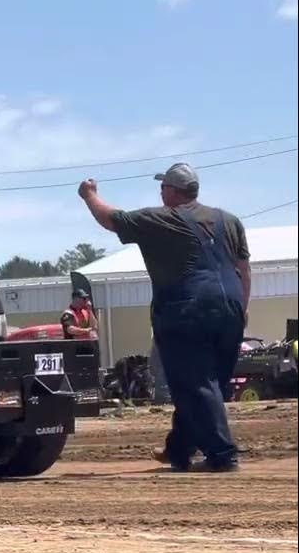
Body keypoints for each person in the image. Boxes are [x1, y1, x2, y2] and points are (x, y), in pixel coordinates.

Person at [78, 163, 250, 472]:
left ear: (172, 191)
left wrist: (89, 195)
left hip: (188, 310)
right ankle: (179, 449)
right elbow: (244, 269)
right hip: (231, 310)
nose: (160, 193)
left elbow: (112, 219)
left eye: (163, 188)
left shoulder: (162, 219)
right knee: (204, 383)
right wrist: (243, 308)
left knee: (196, 384)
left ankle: (222, 455)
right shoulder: (230, 221)